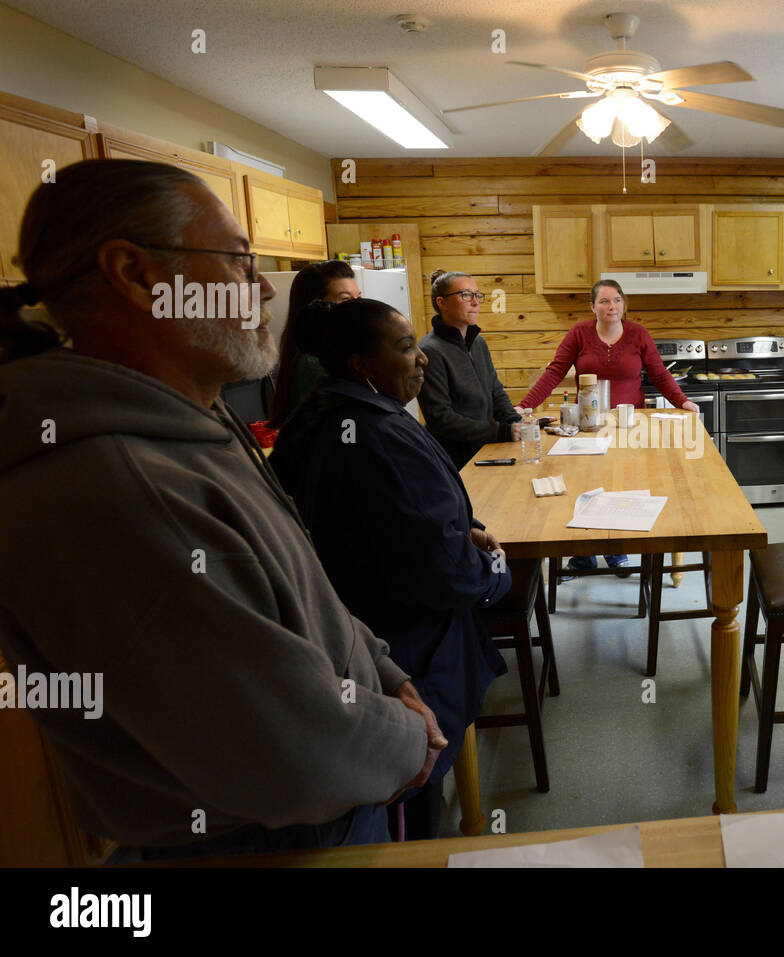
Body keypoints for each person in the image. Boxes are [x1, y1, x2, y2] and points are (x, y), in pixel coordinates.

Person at [0, 159, 439, 857]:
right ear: (138, 276)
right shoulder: (115, 485)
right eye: (237, 261)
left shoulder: (193, 417)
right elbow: (288, 749)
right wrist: (410, 738)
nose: (264, 288)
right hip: (258, 844)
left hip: (323, 811)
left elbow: (304, 596)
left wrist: (386, 674)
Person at [270, 297, 511, 840]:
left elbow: (394, 525)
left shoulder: (316, 417)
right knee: (415, 795)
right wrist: (495, 575)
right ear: (362, 364)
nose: (420, 358)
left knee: (400, 794)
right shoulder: (379, 435)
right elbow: (446, 572)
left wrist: (456, 531)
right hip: (408, 646)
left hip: (356, 639)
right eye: (405, 348)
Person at [519, 279, 699, 577]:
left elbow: (659, 374)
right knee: (583, 484)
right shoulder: (579, 333)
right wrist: (525, 405)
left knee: (623, 483)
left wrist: (682, 401)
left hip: (630, 425)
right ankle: (584, 553)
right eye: (603, 301)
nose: (611, 306)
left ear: (623, 304)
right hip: (588, 425)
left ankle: (617, 549)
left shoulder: (639, 334)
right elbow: (554, 372)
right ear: (593, 307)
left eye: (616, 300)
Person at [416, 269, 521, 469]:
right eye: (465, 295)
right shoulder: (429, 350)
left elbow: (495, 391)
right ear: (442, 303)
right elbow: (441, 419)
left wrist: (517, 422)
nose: (475, 302)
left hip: (485, 449)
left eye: (477, 295)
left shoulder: (478, 342)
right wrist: (501, 431)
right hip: (453, 460)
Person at [267, 259, 360, 427]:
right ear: (316, 307)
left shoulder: (335, 353)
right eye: (345, 299)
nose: (359, 306)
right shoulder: (314, 364)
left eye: (359, 297)